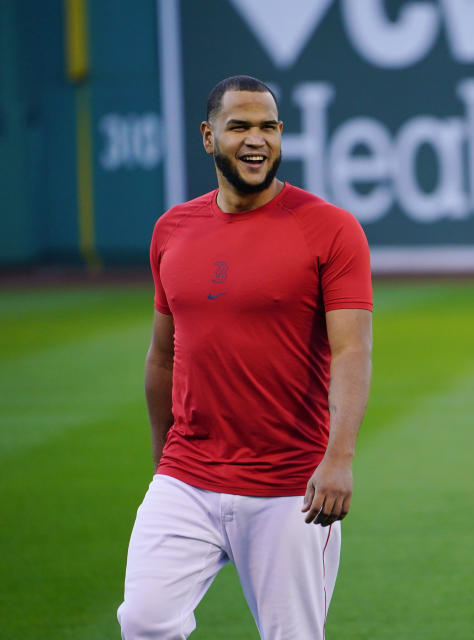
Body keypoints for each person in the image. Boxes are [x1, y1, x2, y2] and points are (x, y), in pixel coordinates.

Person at [117, 75, 373, 639]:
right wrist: (166, 464)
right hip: (188, 477)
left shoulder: (330, 229)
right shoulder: (173, 229)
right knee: (143, 621)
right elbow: (163, 357)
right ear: (209, 138)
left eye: (268, 127)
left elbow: (352, 349)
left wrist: (339, 458)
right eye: (240, 127)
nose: (256, 140)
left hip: (289, 487)